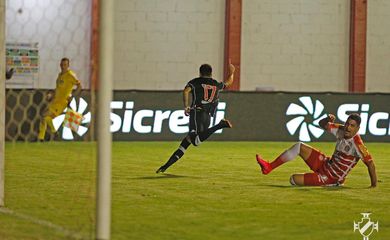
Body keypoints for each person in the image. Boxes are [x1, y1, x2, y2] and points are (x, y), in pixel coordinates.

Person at [256, 113, 377, 187]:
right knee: (299, 146)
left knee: (293, 179)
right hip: (326, 164)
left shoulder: (358, 145)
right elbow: (322, 124)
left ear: (358, 128)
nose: (348, 127)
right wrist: (327, 119)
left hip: (331, 178)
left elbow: (370, 164)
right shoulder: (341, 129)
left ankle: (330, 184)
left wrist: (373, 185)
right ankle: (269, 167)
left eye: (352, 126)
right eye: (347, 124)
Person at [156, 61, 236, 173]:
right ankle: (165, 166)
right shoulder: (215, 83)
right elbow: (228, 83)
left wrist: (186, 106)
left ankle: (220, 125)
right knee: (187, 141)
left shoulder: (195, 82)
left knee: (195, 141)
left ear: (200, 72)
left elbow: (186, 91)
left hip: (197, 113)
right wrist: (232, 73)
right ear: (211, 73)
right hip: (208, 116)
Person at [37, 58, 81, 141]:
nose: (63, 66)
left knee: (44, 115)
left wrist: (72, 96)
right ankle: (48, 134)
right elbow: (57, 89)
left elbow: (79, 86)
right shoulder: (60, 75)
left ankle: (42, 137)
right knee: (45, 117)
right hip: (55, 101)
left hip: (62, 102)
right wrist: (51, 94)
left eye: (65, 65)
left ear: (68, 65)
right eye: (62, 65)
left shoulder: (71, 75)